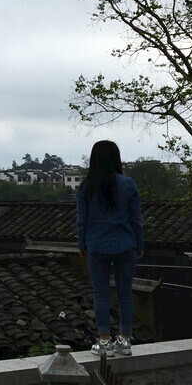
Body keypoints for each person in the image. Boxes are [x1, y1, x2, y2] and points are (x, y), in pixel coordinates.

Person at [77, 140, 143, 357]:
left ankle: (104, 341)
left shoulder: (87, 186)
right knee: (125, 294)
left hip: (96, 245)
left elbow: (82, 220)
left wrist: (82, 244)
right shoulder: (129, 184)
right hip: (126, 244)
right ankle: (124, 340)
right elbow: (136, 220)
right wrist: (139, 244)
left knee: (101, 294)